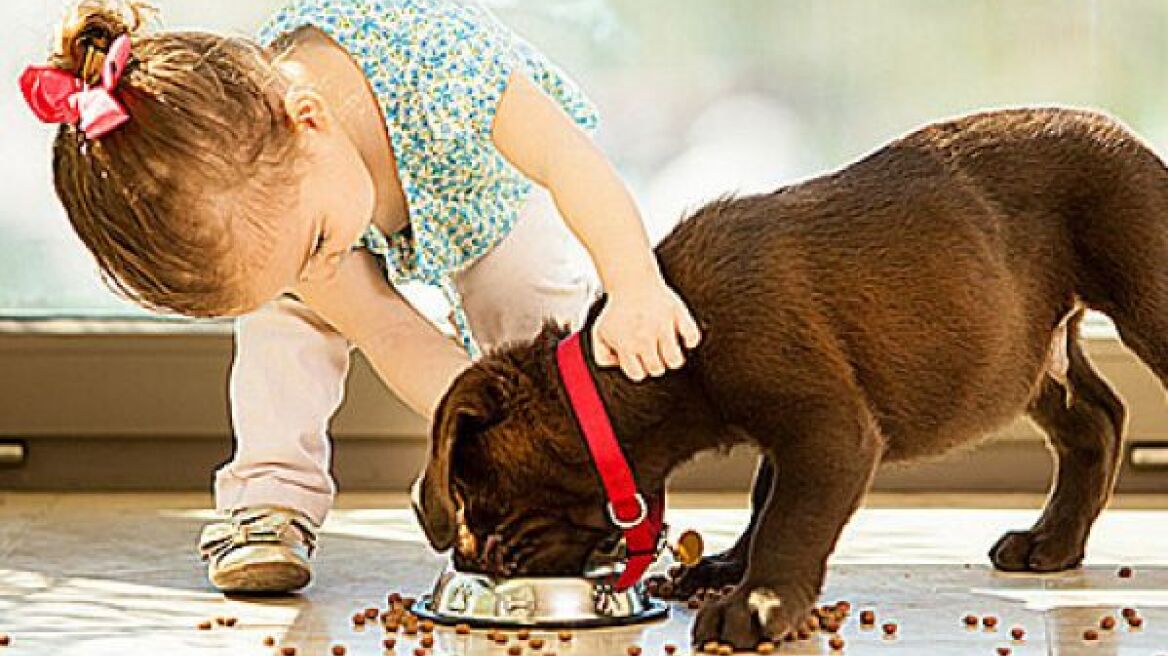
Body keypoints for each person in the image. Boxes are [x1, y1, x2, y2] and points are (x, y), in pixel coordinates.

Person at [20, 0, 700, 592]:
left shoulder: (444, 68)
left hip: (485, 190)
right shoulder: (285, 203)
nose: (320, 265)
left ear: (309, 120)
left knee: (526, 303)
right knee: (283, 322)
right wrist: (470, 442)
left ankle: (572, 489)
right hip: (326, 198)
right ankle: (268, 501)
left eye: (315, 244)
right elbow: (387, 329)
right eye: (299, 261)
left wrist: (634, 283)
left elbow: (568, 159)